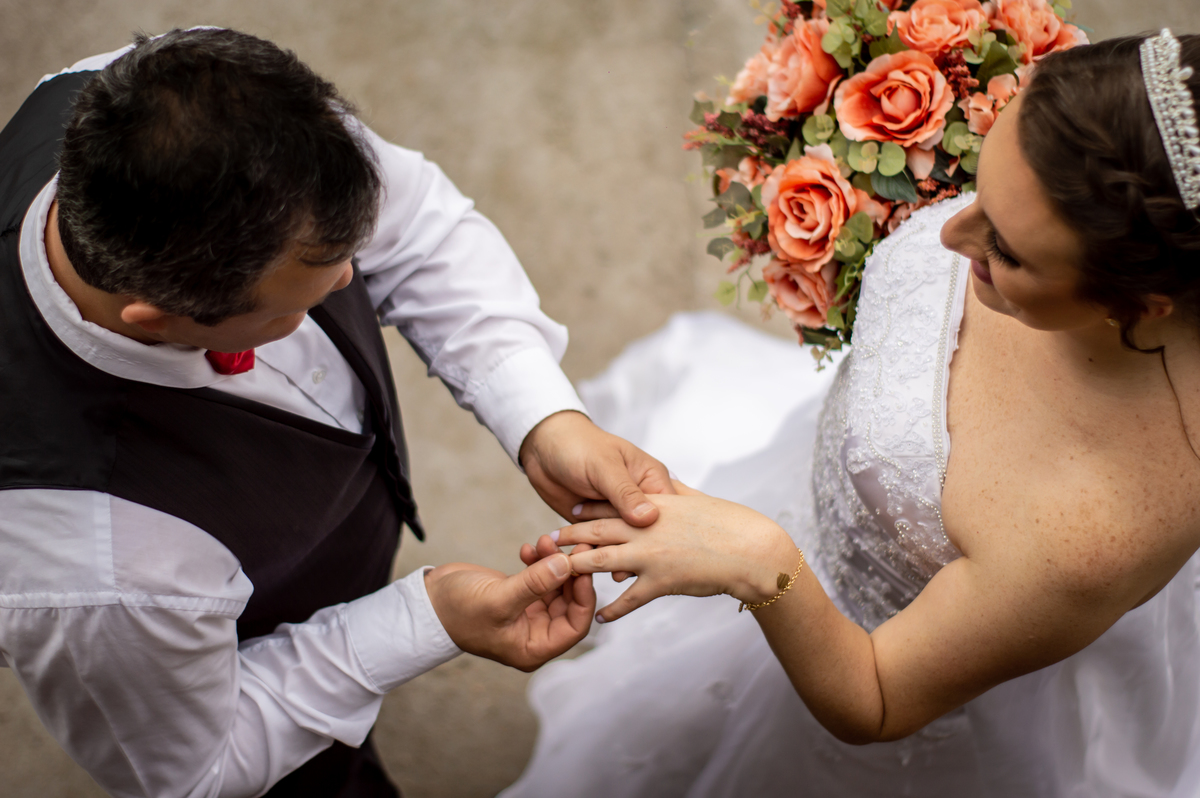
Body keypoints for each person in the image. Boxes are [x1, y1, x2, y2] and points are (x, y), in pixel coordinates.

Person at [504, 31, 1200, 797]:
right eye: (985, 183)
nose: (948, 231)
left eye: (1004, 248)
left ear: (1138, 303)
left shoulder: (1095, 528)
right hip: (815, 487)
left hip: (859, 654)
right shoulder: (1096, 144)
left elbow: (878, 697)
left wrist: (758, 561)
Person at [0, 28, 673, 797]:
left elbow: (417, 227)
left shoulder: (200, 94)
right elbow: (198, 768)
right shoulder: (98, 568)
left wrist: (545, 419)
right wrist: (426, 623)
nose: (355, 277)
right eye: (306, 297)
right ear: (157, 318)